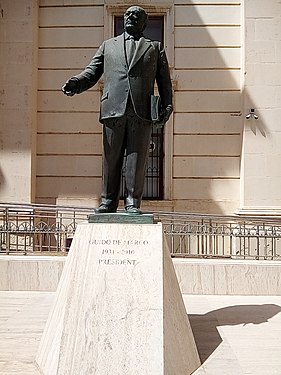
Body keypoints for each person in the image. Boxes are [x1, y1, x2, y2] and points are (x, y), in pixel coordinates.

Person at [62, 5, 173, 214]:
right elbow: (92, 72)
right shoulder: (108, 46)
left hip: (141, 112)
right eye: (128, 14)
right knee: (111, 158)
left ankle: (132, 202)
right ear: (123, 20)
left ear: (144, 23)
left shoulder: (155, 48)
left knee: (136, 159)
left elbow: (165, 82)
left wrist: (167, 106)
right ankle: (108, 202)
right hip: (113, 109)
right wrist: (76, 83)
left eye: (137, 15)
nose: (131, 17)